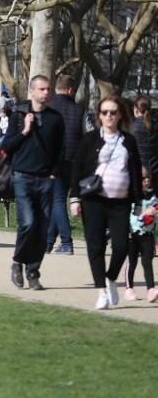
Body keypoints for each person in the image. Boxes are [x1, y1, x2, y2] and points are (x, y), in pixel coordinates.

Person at [70, 95, 143, 310]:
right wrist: (74, 198)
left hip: (120, 203)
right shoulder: (90, 139)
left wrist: (138, 201)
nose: (109, 116)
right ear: (99, 116)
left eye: (113, 112)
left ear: (120, 114)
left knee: (121, 246)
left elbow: (136, 172)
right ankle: (101, 291)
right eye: (105, 112)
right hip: (93, 201)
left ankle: (111, 278)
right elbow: (77, 168)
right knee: (96, 247)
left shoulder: (128, 140)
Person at [1, 75, 65, 291]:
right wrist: (25, 131)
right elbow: (7, 147)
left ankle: (32, 271)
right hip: (22, 177)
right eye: (42, 89)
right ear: (32, 91)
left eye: (48, 89)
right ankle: (17, 262)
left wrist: (55, 172)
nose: (46, 93)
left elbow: (60, 149)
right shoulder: (18, 116)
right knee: (28, 223)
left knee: (42, 227)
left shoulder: (55, 118)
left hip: (46, 179)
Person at [45, 74, 93, 255]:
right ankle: (49, 242)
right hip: (74, 161)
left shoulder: (47, 108)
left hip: (53, 161)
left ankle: (66, 242)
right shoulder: (79, 110)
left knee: (56, 201)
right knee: (58, 200)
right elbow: (89, 135)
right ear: (71, 90)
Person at [124, 166, 158, 303]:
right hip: (133, 234)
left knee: (147, 262)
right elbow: (125, 216)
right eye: (142, 178)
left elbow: (155, 218)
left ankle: (151, 289)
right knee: (131, 262)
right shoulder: (130, 197)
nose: (146, 180)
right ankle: (129, 288)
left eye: (148, 177)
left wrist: (155, 214)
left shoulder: (153, 198)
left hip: (148, 235)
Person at [131, 95, 158, 189]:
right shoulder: (155, 125)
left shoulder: (131, 127)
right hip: (155, 170)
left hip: (137, 171)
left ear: (136, 109)